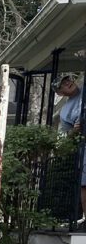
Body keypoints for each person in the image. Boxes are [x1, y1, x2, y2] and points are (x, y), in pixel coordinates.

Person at [56, 74, 86, 228]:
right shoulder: (65, 112)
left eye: (67, 79)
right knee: (84, 183)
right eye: (63, 84)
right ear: (60, 93)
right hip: (84, 147)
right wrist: (74, 131)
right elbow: (61, 140)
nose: (68, 82)